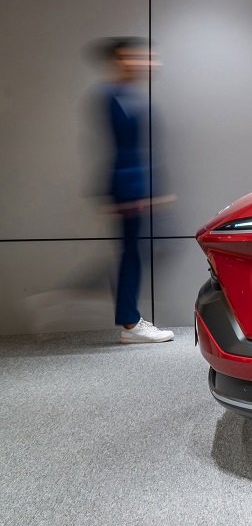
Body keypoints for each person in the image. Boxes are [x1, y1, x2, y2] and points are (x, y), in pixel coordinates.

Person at [96, 38, 174, 343]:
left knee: (134, 252)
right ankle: (129, 323)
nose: (148, 63)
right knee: (132, 253)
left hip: (135, 187)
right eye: (140, 57)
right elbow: (122, 150)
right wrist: (138, 191)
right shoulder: (113, 96)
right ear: (121, 59)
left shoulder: (130, 96)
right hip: (130, 189)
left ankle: (128, 319)